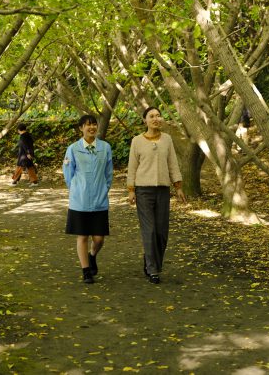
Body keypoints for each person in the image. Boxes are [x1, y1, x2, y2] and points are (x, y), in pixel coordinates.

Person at [127, 107, 186, 284]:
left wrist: (178, 186)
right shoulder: (137, 141)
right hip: (143, 190)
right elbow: (132, 167)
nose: (156, 118)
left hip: (162, 190)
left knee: (161, 231)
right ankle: (153, 269)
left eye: (158, 115)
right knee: (149, 230)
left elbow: (173, 163)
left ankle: (150, 260)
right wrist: (131, 190)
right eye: (151, 116)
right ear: (145, 120)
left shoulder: (167, 140)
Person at [63, 114, 114, 284]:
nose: (91, 127)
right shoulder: (73, 148)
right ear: (81, 128)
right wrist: (77, 189)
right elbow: (68, 174)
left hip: (100, 200)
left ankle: (92, 256)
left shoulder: (105, 147)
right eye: (87, 125)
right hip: (80, 201)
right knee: (82, 236)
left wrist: (104, 189)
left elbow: (108, 173)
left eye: (94, 124)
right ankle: (86, 270)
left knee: (99, 238)